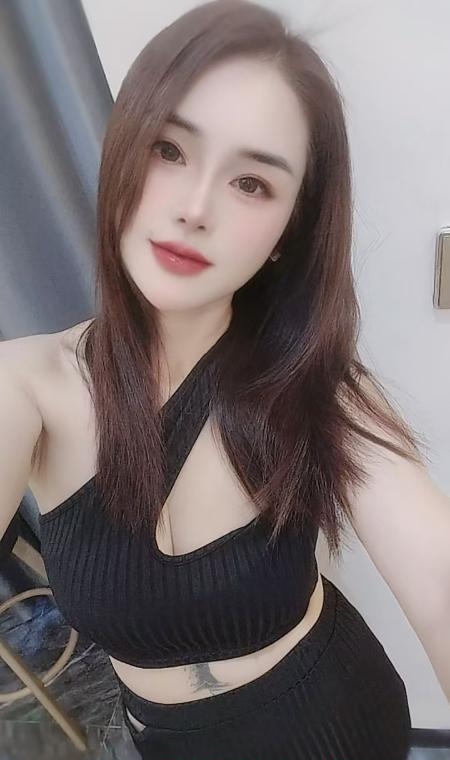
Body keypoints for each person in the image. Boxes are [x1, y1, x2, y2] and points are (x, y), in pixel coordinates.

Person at [1, 1, 449, 758]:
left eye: (251, 183)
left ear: (287, 233)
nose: (194, 208)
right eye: (169, 149)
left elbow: (440, 578)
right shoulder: (26, 382)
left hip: (338, 724)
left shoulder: (319, 386)